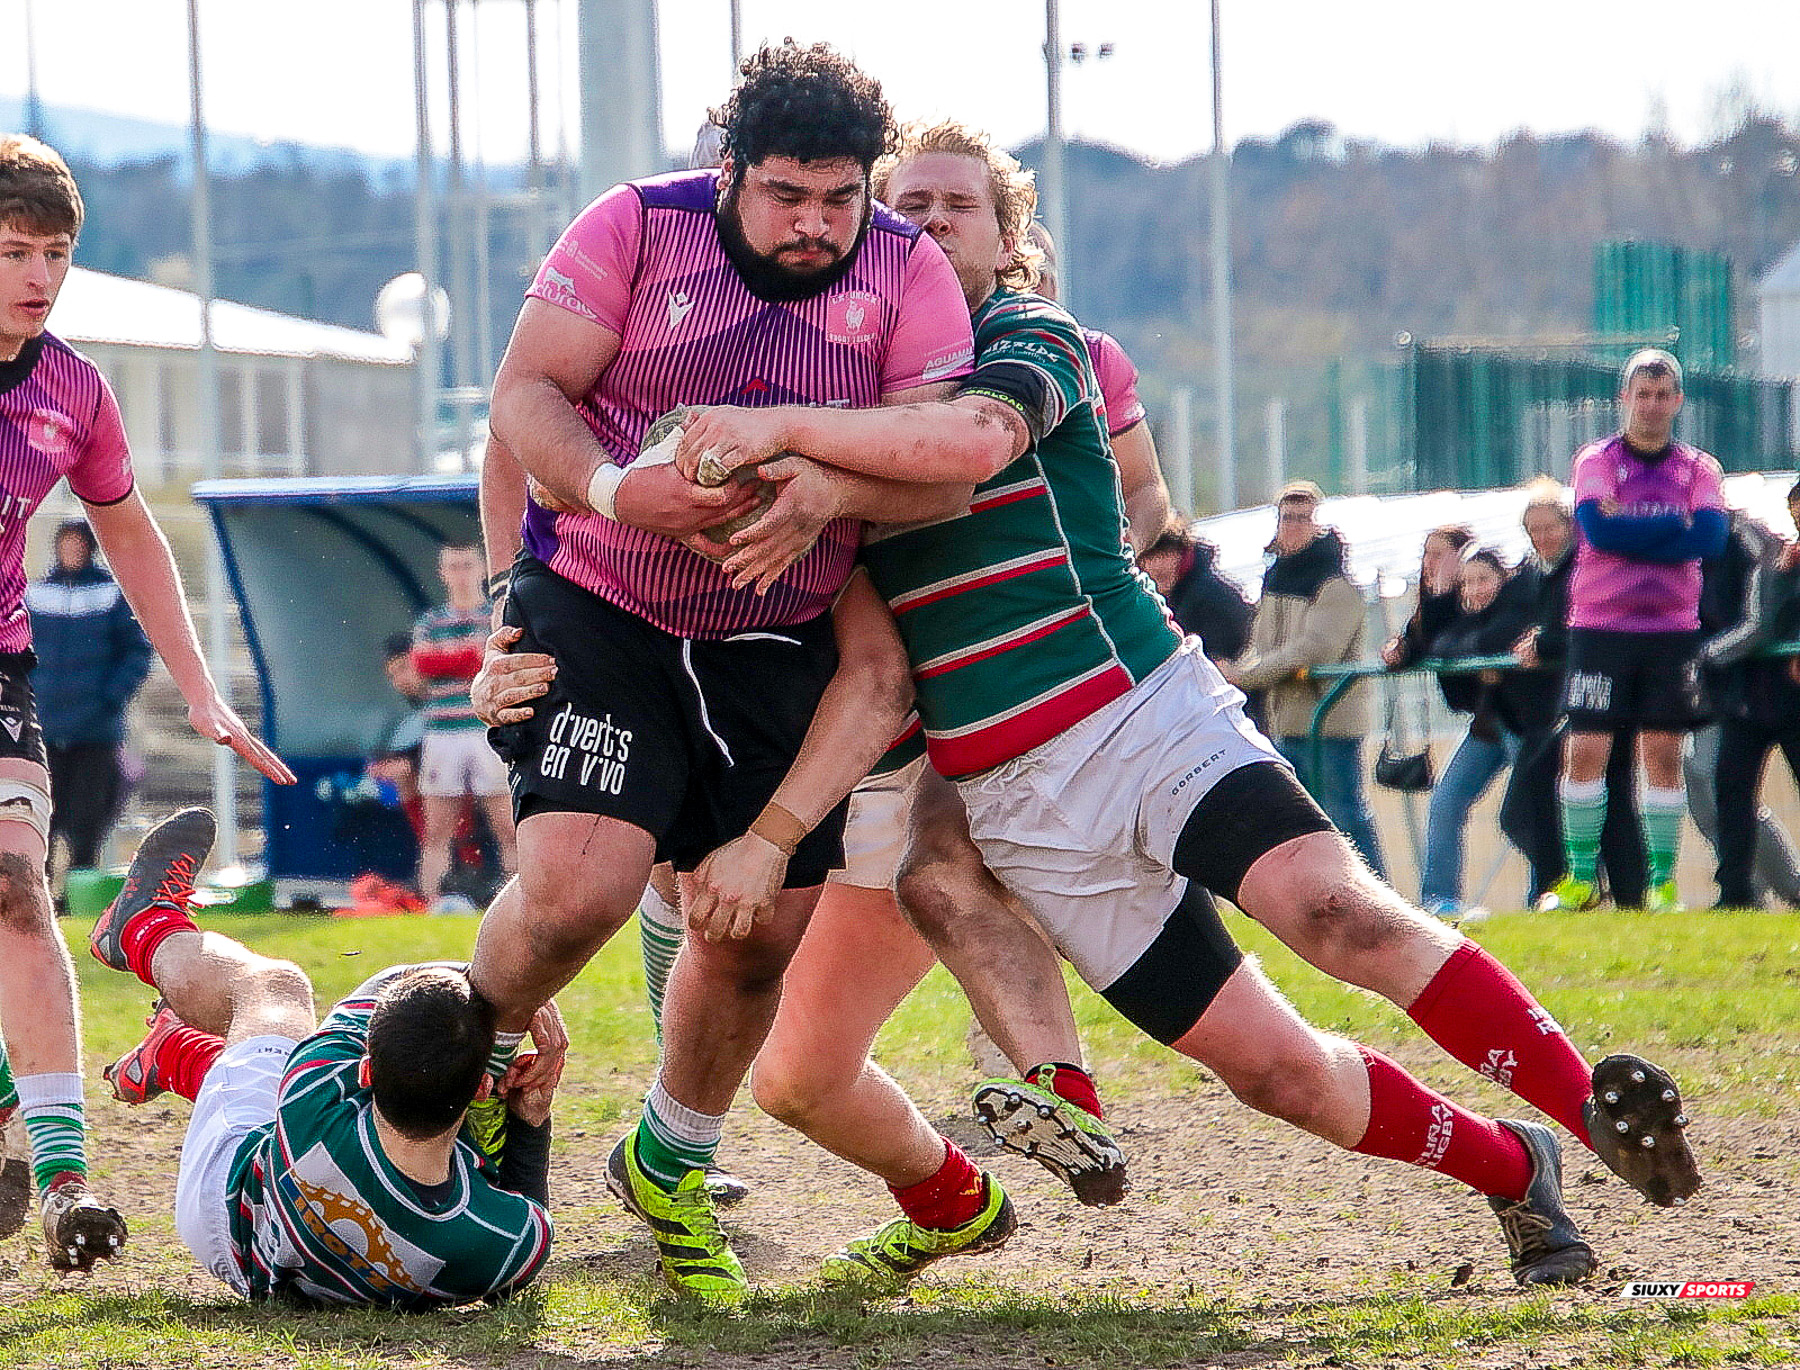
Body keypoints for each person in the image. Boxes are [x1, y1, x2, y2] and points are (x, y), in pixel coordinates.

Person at [675, 116, 1704, 1289]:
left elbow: (970, 445)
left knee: (1336, 911)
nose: (933, 221)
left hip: (1142, 714)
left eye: (961, 205)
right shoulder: (843, 394)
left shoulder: (1032, 337)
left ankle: (1589, 1111)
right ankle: (1514, 1165)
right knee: (1274, 1071)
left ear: (1008, 241)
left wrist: (802, 461)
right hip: (1016, 798)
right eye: (909, 204)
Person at [467, 42, 986, 1301]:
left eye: (840, 198)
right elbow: (523, 397)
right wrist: (611, 490)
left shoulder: (906, 271)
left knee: (752, 934)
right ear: (730, 171)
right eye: (786, 194)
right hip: (604, 601)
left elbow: (950, 472)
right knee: (578, 893)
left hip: (775, 627)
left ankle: (671, 1163)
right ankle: (476, 1062)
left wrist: (830, 491)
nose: (815, 224)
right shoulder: (635, 226)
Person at [0, 133, 293, 1272]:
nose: (38, 277)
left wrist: (202, 688)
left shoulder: (72, 389)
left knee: (16, 885)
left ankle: (65, 1181)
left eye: (56, 255)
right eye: (14, 252)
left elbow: (129, 532)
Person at [87, 808, 559, 1305]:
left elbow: (381, 991)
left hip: (227, 1211)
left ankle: (143, 930)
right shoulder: (496, 1239)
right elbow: (521, 1255)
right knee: (271, 1059)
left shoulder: (314, 1101)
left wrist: (502, 988)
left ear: (365, 1071)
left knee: (276, 989)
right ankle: (173, 1051)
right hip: (274, 1271)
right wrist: (530, 1123)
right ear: (482, 1088)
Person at [1538, 350, 1727, 914]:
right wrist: (1672, 524)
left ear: (1678, 401)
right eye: (1642, 395)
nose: (1651, 405)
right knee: (1586, 747)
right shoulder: (1596, 461)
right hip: (1601, 626)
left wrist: (1633, 527)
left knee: (1663, 753)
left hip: (1671, 628)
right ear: (1624, 399)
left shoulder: (1699, 468)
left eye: (1661, 395)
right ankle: (1579, 878)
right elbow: (1598, 531)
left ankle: (1662, 884)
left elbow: (1711, 539)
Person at [1221, 482, 1387, 879]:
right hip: (1287, 722)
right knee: (1302, 823)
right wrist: (1238, 671)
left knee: (1345, 815)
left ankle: (1376, 889)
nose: (1292, 527)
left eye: (1302, 518)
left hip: (1329, 724)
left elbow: (1315, 648)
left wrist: (1245, 675)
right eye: (1286, 518)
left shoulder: (1336, 584)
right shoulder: (1274, 580)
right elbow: (1262, 644)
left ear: (1318, 525)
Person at [1499, 482, 1648, 906]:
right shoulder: (1542, 574)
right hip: (1583, 696)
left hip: (1606, 693)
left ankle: (1578, 885)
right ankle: (1608, 891)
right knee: (1602, 795)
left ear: (1569, 526)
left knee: (1549, 788)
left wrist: (1543, 644)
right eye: (1533, 531)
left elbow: (1596, 629)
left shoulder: (1587, 567)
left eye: (1549, 528)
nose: (1541, 538)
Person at [26, 518, 151, 877]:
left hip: (96, 730)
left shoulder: (112, 595)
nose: (71, 551)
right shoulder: (36, 595)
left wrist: (109, 698)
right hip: (44, 727)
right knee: (43, 818)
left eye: (78, 544)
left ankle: (80, 890)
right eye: (66, 543)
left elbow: (137, 652)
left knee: (87, 820)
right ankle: (43, 893)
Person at [1689, 507, 1800, 908]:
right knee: (1731, 794)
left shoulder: (1754, 546)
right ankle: (1736, 892)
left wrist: (1703, 656)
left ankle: (1751, 889)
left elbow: (1760, 624)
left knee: (1730, 794)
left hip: (1782, 693)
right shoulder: (1770, 553)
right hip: (1743, 698)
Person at [1415, 546, 1534, 919]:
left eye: (1483, 580)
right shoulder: (1465, 617)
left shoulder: (1519, 605)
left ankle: (1548, 891)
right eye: (1467, 583)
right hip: (1488, 725)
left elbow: (1491, 641)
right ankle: (1439, 900)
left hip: (1525, 724)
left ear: (1503, 579)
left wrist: (1475, 656)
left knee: (1523, 813)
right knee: (1445, 801)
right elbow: (1439, 647)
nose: (1475, 590)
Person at [412, 544, 515, 912]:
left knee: (507, 823)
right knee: (437, 827)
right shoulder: (430, 621)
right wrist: (470, 657)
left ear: (482, 569)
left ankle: (515, 901)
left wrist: (453, 660)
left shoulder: (496, 616)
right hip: (443, 732)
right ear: (442, 573)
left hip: (488, 729)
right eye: (453, 566)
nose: (461, 574)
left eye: (467, 565)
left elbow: (500, 660)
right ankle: (430, 902)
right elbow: (422, 664)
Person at [1139, 518, 1254, 664]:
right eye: (1150, 557)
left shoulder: (1211, 595)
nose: (1157, 564)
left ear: (1181, 553)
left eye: (1165, 554)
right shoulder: (1153, 601)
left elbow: (1221, 659)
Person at [1381, 523, 1475, 673]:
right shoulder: (1427, 608)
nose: (1427, 562)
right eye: (1426, 554)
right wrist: (1400, 650)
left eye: (1437, 555)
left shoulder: (1474, 606)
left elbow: (1446, 638)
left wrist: (1443, 593)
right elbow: (1420, 643)